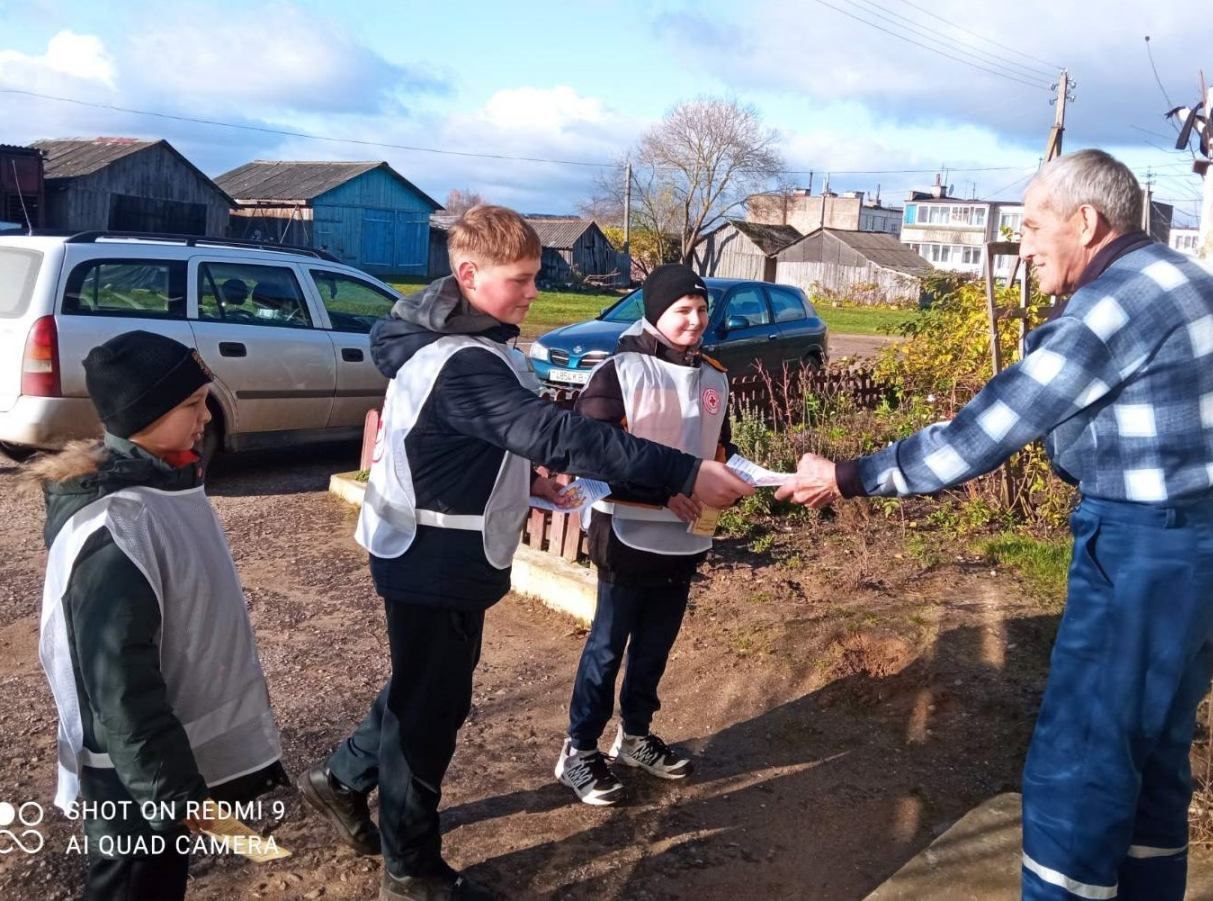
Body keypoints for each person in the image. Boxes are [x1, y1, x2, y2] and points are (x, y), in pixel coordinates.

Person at [776, 149, 1213, 901]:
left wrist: (847, 476)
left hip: (1135, 552)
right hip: (1199, 550)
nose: (1025, 242)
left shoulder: (1109, 308)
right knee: (1156, 759)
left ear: (1085, 222)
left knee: (1082, 760)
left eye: (1034, 224)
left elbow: (984, 433)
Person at [297, 206, 752, 901]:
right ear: (468, 274)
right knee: (431, 712)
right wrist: (684, 471)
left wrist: (525, 480)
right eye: (523, 279)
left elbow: (466, 447)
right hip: (433, 559)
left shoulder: (461, 345)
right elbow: (551, 432)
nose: (534, 292)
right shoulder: (462, 363)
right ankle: (411, 869)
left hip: (437, 552)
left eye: (536, 277)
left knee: (421, 686)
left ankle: (340, 778)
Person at [31, 331, 286, 901]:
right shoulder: (116, 527)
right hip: (133, 786)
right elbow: (119, 683)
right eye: (191, 405)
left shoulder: (168, 484)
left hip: (160, 777)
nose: (205, 416)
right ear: (142, 414)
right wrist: (176, 797)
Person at [555, 264, 736, 806]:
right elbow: (591, 448)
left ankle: (634, 737)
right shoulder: (619, 370)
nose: (695, 321)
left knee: (656, 646)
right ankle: (579, 749)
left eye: (702, 311)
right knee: (608, 647)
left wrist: (736, 480)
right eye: (683, 310)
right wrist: (662, 491)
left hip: (687, 531)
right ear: (655, 312)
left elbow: (718, 447)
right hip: (627, 529)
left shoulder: (714, 376)